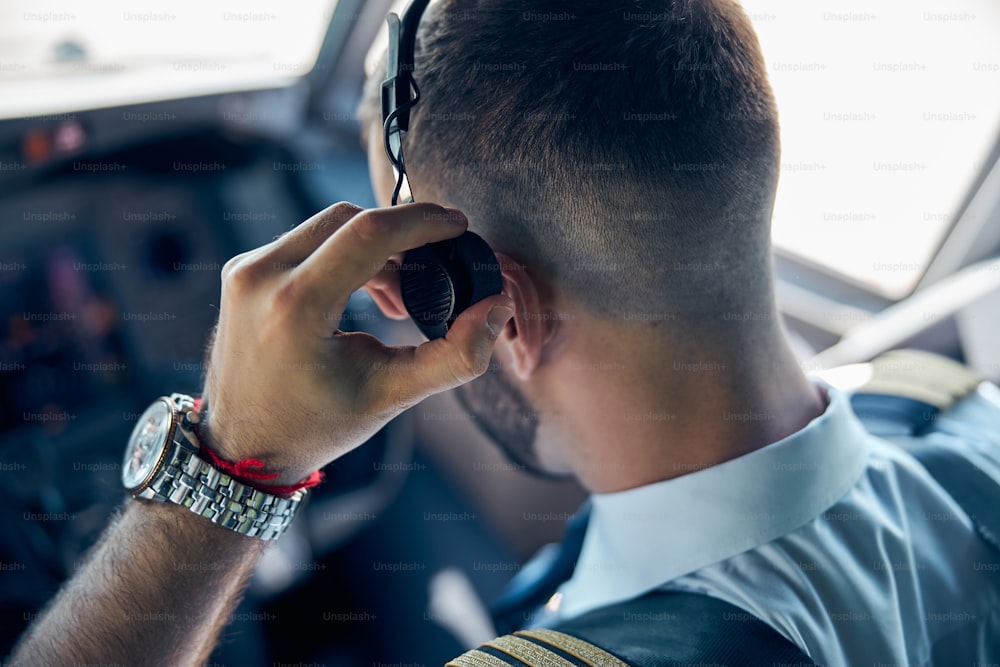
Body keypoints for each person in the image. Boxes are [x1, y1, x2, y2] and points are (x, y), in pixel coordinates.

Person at [10, 0, 1000, 665]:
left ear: (500, 309)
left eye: (400, 274)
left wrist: (225, 471)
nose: (385, 301)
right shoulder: (955, 410)